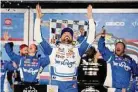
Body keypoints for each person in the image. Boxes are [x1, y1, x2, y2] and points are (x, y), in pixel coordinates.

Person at [34, 4, 95, 92]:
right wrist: (38, 19)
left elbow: (90, 38)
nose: (67, 35)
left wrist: (90, 19)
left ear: (72, 38)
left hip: (71, 85)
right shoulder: (52, 50)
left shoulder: (78, 50)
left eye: (69, 34)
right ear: (60, 37)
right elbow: (38, 38)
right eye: (64, 34)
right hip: (55, 84)